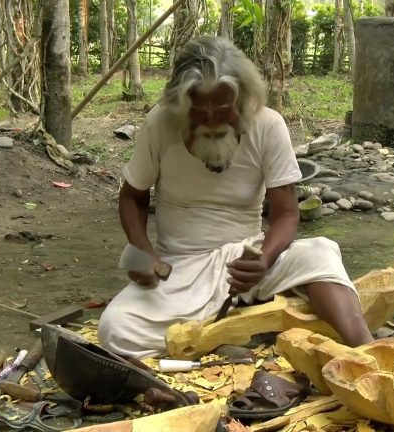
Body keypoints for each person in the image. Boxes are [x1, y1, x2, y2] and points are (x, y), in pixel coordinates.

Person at [98, 36, 374, 359]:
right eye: (200, 112)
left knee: (321, 253)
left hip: (248, 259)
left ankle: (370, 350)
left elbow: (286, 214)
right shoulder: (160, 124)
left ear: (242, 100)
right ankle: (222, 337)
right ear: (182, 105)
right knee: (114, 328)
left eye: (223, 110)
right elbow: (132, 197)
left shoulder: (268, 125)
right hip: (182, 270)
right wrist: (144, 253)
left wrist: (264, 258)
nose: (212, 121)